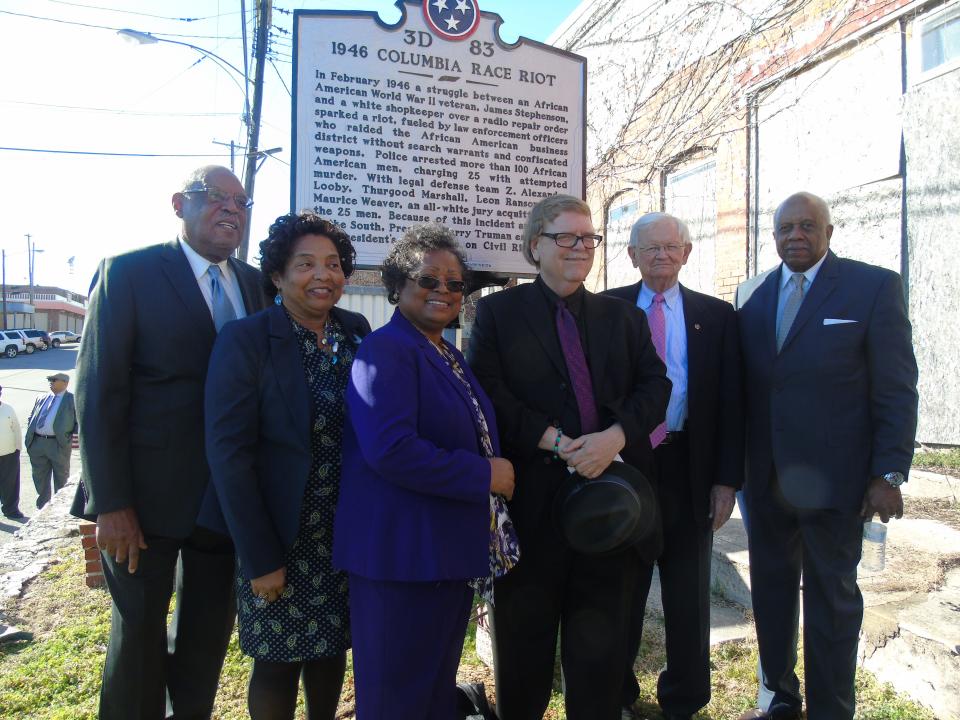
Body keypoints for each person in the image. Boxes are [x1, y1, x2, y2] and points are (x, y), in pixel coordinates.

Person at [71, 165, 269, 719]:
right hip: (143, 506)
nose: (231, 208)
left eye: (241, 200)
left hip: (222, 502)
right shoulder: (128, 273)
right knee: (137, 639)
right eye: (216, 198)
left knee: (206, 639)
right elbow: (97, 393)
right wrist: (110, 504)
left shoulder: (253, 284)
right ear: (180, 203)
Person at [467, 194, 672, 720]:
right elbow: (488, 394)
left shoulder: (621, 317)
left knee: (599, 659)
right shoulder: (496, 313)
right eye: (567, 237)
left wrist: (615, 438)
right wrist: (558, 442)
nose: (581, 247)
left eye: (589, 238)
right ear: (536, 245)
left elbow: (657, 384)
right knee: (524, 653)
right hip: (532, 508)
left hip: (610, 510)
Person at [735, 192, 919, 720]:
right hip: (764, 482)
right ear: (772, 236)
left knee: (832, 603)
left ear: (829, 232)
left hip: (837, 483)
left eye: (807, 226)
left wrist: (889, 471)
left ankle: (832, 711)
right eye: (785, 227)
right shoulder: (751, 294)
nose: (795, 235)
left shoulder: (873, 287)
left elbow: (896, 388)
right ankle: (780, 699)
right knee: (770, 594)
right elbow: (743, 388)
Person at [334, 224, 515, 720]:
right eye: (428, 279)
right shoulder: (385, 350)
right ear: (397, 286)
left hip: (443, 554)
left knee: (431, 688)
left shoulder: (446, 352)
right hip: (401, 557)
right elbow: (390, 449)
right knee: (397, 693)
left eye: (455, 283)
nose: (443, 291)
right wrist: (485, 475)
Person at [198, 212, 371, 720]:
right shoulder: (247, 339)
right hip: (279, 535)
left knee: (331, 650)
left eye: (333, 264)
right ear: (276, 275)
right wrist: (260, 557)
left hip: (343, 533)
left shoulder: (354, 330)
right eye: (306, 264)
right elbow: (229, 454)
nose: (323, 275)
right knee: (276, 663)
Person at [604, 212, 743, 720]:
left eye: (671, 247)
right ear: (632, 255)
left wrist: (727, 479)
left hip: (690, 466)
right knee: (621, 588)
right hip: (625, 464)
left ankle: (684, 700)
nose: (661, 256)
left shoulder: (718, 315)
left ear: (687, 252)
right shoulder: (606, 309)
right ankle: (615, 694)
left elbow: (732, 401)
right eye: (650, 248)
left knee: (688, 593)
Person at [25, 372, 78, 509]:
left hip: (58, 444)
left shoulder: (73, 400)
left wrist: (69, 442)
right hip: (37, 443)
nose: (50, 382)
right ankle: (43, 507)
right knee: (39, 478)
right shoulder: (41, 397)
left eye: (54, 380)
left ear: (65, 383)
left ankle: (60, 508)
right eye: (49, 379)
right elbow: (32, 416)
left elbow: (79, 423)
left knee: (61, 478)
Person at [0, 385, 24, 520]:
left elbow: (16, 428)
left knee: (10, 484)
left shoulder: (8, 408)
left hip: (9, 453)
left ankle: (11, 510)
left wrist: (17, 449)